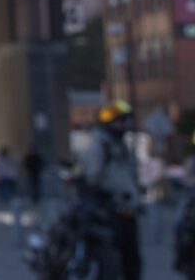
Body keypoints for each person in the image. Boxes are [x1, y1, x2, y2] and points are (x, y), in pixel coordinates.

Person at [78, 100, 144, 280]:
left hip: (127, 208)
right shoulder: (99, 144)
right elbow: (92, 176)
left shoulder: (122, 145)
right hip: (109, 210)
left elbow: (128, 176)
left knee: (131, 256)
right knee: (110, 257)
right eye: (118, 121)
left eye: (123, 121)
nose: (122, 125)